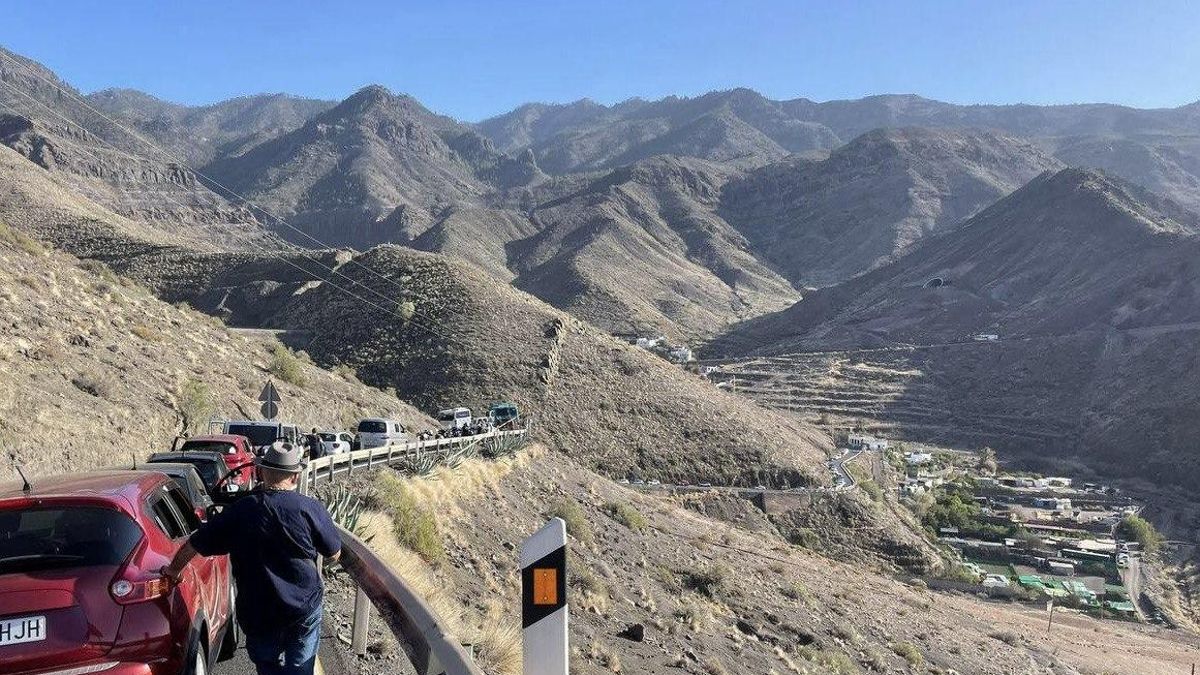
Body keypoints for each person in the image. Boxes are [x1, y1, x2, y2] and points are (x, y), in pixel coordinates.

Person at [162, 442, 340, 675]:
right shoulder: (309, 509)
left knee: (267, 666)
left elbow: (195, 543)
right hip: (303, 607)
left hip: (259, 610)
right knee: (300, 667)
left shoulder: (240, 511)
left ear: (261, 472)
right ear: (295, 477)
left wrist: (173, 571)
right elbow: (334, 553)